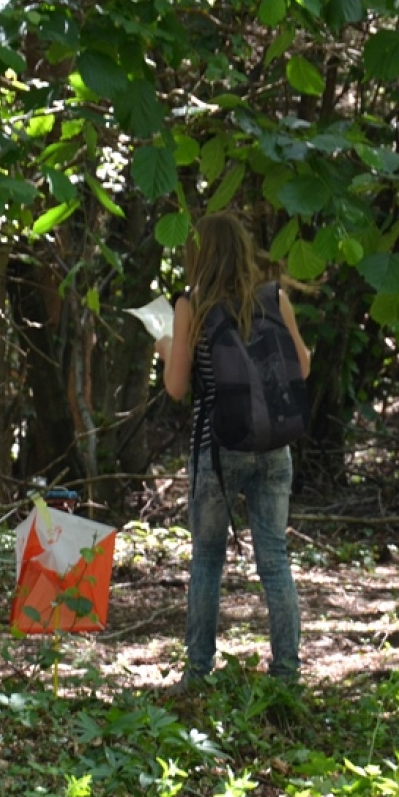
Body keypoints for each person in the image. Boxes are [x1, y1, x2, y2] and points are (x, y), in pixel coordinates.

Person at [153, 211, 312, 691]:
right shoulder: (273, 297)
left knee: (206, 558)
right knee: (274, 557)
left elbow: (178, 388)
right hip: (274, 448)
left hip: (217, 451)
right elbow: (301, 368)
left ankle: (198, 673)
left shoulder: (192, 306)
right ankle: (286, 672)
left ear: (197, 254)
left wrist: (165, 348)